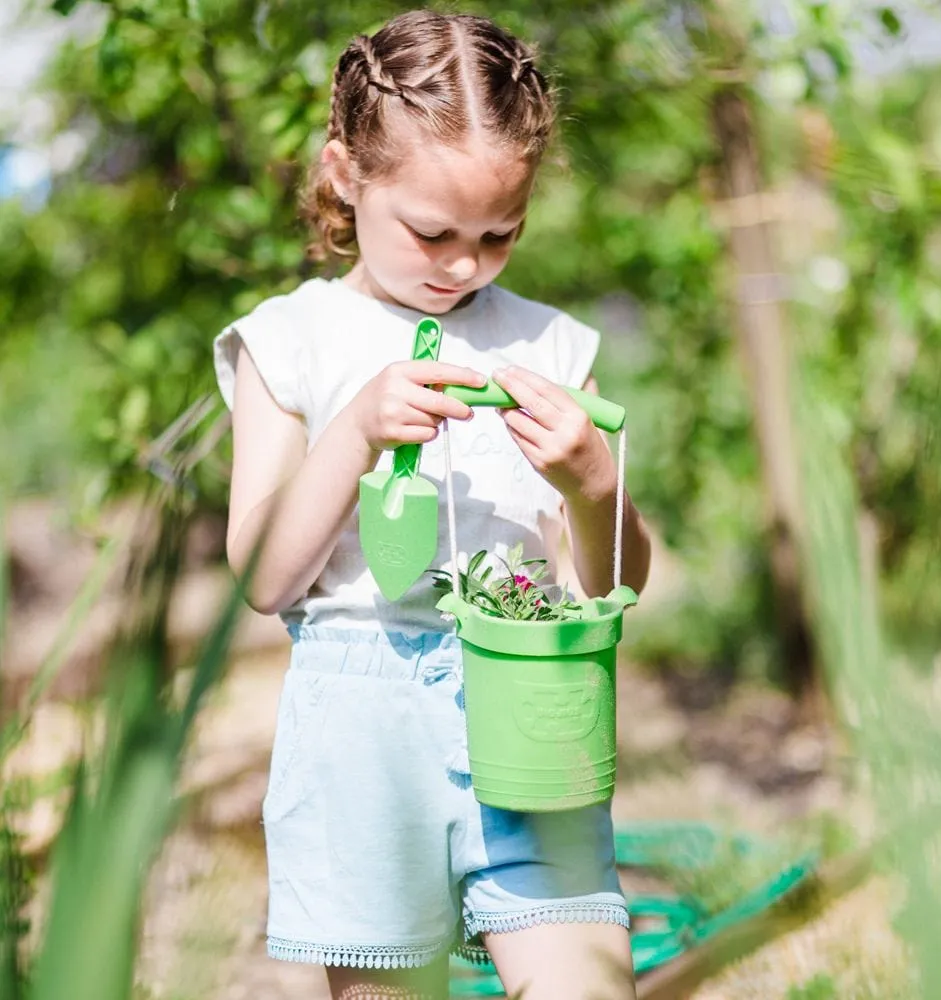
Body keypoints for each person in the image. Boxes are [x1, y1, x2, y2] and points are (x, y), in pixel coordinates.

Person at [213, 9, 652, 999]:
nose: (462, 264)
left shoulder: (547, 346)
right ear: (344, 173)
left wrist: (592, 481)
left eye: (501, 233)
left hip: (534, 702)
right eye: (431, 231)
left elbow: (611, 580)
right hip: (363, 731)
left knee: (586, 978)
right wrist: (355, 431)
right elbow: (261, 576)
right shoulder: (294, 343)